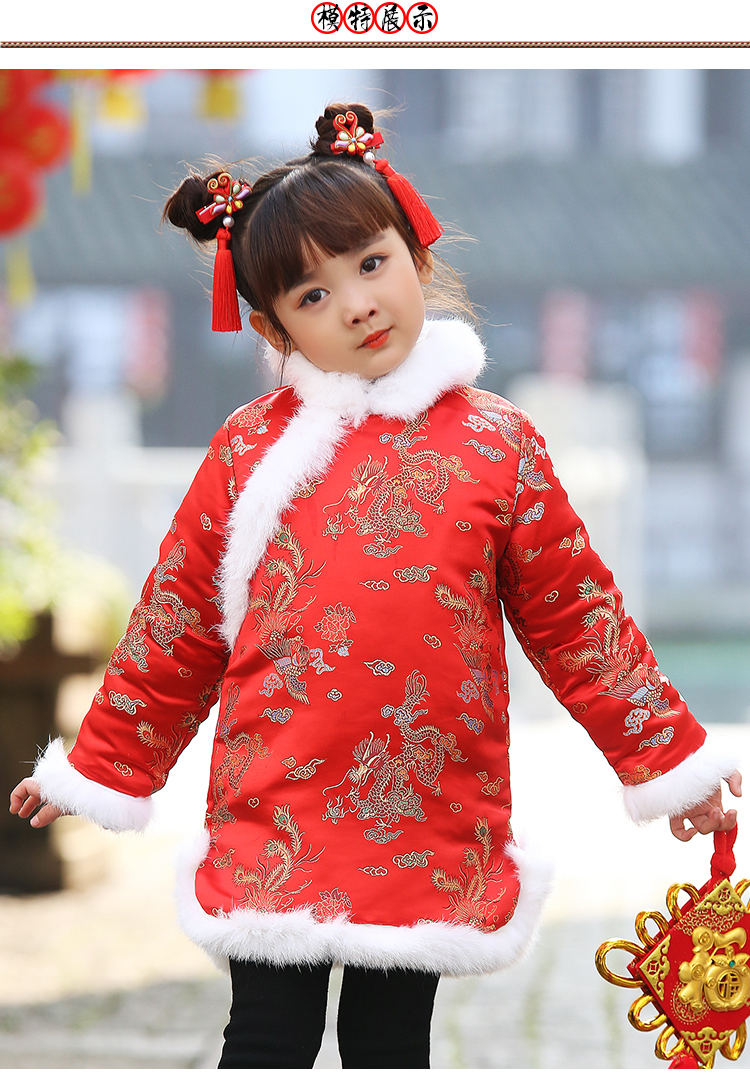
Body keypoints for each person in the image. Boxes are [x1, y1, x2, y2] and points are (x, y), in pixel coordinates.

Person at [9, 103, 742, 1069]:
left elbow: (579, 621)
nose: (356, 303)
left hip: (425, 807)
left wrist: (670, 762)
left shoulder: (498, 445)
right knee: (265, 1037)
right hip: (273, 802)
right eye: (312, 294)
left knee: (389, 1044)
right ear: (272, 327)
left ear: (417, 256)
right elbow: (176, 625)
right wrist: (98, 768)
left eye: (370, 262)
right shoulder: (247, 451)